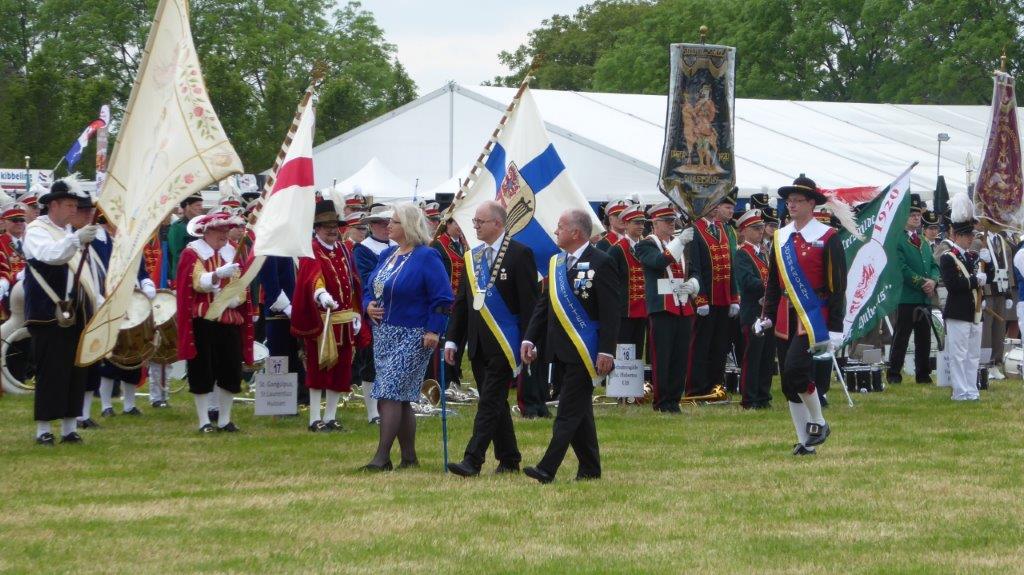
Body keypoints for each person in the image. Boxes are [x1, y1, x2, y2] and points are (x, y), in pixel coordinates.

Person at [521, 209, 621, 483]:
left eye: (560, 227)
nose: (556, 231)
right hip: (560, 348)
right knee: (580, 413)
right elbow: (545, 305)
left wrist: (606, 350)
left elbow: (611, 311)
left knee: (566, 412)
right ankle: (590, 468)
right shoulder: (556, 263)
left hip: (586, 350)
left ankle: (547, 468)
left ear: (576, 232)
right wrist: (530, 337)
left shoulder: (602, 261)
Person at [445, 201, 538, 477]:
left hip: (504, 343)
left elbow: (529, 303)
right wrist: (452, 340)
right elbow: (462, 304)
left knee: (488, 403)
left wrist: (529, 340)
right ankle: (509, 458)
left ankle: (473, 460)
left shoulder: (520, 254)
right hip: (477, 343)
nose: (474, 226)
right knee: (494, 401)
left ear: (498, 223)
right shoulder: (471, 258)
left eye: (479, 222)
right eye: (474, 222)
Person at [361, 202, 453, 471]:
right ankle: (409, 457)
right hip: (384, 334)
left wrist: (434, 329)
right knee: (399, 395)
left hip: (413, 334)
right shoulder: (387, 255)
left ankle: (382, 456)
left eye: (394, 222)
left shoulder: (426, 256)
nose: (388, 225)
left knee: (388, 391)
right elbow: (370, 287)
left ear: (409, 226)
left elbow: (442, 296)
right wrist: (368, 305)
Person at [761, 176, 846, 455]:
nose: (792, 205)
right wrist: (767, 315)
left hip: (814, 316)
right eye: (789, 201)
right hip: (785, 316)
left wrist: (835, 327)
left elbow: (837, 285)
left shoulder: (827, 237)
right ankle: (805, 441)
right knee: (787, 381)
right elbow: (773, 282)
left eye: (798, 201)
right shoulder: (781, 236)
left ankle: (819, 422)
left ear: (812, 203)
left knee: (798, 370)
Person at [23, 177, 99, 445]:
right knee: (51, 372)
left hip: (74, 313)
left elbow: (85, 279)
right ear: (53, 205)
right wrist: (77, 239)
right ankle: (44, 428)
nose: (73, 211)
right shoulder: (36, 230)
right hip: (47, 314)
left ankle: (69, 427)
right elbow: (51, 255)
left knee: (75, 372)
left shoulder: (67, 233)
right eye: (69, 205)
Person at [175, 211, 254, 433]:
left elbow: (241, 287)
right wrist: (218, 274)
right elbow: (197, 282)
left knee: (230, 369)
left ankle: (225, 419)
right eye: (220, 230)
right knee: (202, 369)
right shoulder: (193, 253)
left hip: (229, 320)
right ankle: (204, 421)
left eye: (226, 230)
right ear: (207, 231)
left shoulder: (232, 252)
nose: (225, 234)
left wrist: (233, 299)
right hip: (204, 320)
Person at [291, 198, 364, 432]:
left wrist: (355, 312)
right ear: (317, 229)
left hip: (343, 319)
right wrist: (321, 294)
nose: (332, 229)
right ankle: (314, 418)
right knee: (318, 368)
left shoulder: (343, 249)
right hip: (321, 320)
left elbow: (353, 281)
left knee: (341, 370)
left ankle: (331, 416)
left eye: (334, 225)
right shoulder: (312, 250)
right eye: (326, 226)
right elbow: (312, 278)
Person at [634, 202, 697, 412]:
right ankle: (662, 401)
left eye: (673, 221)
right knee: (663, 356)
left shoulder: (680, 242)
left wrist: (694, 284)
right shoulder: (645, 245)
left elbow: (695, 269)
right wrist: (679, 241)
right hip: (662, 307)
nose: (672, 224)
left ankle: (674, 399)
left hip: (683, 305)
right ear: (655, 223)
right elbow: (659, 262)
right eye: (667, 221)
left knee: (680, 356)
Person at [686, 188, 739, 398]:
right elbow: (694, 268)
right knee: (700, 346)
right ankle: (696, 389)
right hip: (705, 299)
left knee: (719, 346)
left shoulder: (724, 229)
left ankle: (715, 387)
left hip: (724, 298)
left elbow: (730, 265)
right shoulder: (695, 230)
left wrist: (734, 296)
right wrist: (700, 300)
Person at [887, 194, 940, 385]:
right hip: (906, 296)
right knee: (901, 336)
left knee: (924, 337)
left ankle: (923, 373)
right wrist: (922, 283)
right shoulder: (898, 239)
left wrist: (933, 281)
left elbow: (934, 265)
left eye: (918, 214)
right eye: (912, 214)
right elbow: (901, 268)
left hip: (924, 297)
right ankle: (894, 372)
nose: (916, 217)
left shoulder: (923, 240)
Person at [352, 203, 396, 425]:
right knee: (371, 361)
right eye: (380, 223)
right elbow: (366, 279)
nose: (385, 226)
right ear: (372, 225)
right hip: (375, 310)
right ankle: (372, 412)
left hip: (396, 310)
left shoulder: (397, 245)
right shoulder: (363, 249)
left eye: (388, 222)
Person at [942, 193, 985, 401]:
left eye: (972, 235)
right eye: (967, 235)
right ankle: (960, 391)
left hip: (975, 311)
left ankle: (972, 389)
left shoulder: (972, 256)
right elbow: (953, 285)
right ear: (957, 236)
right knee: (959, 355)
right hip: (958, 311)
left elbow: (986, 278)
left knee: (973, 354)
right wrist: (976, 281)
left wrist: (988, 268)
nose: (971, 238)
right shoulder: (948, 257)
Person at [733, 209, 774, 409]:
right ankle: (749, 398)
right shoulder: (742, 254)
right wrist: (770, 285)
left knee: (766, 356)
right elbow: (747, 281)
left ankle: (763, 395)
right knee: (752, 356)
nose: (760, 232)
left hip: (766, 312)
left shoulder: (764, 253)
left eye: (761, 228)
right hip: (752, 313)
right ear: (744, 231)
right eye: (755, 229)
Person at [607, 204, 650, 355]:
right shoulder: (616, 249)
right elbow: (610, 282)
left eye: (642, 223)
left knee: (638, 353)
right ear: (626, 224)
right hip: (624, 312)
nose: (641, 226)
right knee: (623, 352)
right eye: (636, 222)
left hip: (643, 309)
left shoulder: (646, 246)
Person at [430, 216, 466, 391]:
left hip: (463, 301)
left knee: (459, 339)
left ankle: (454, 377)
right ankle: (444, 380)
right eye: (457, 223)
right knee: (446, 341)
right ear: (448, 224)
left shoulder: (465, 243)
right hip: (447, 301)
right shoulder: (438, 244)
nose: (460, 227)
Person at [975, 229, 1014, 379]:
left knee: (999, 329)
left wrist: (1009, 293)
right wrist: (981, 294)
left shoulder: (1002, 242)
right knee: (986, 330)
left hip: (1001, 290)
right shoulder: (979, 240)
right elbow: (975, 267)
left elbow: (1007, 268)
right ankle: (985, 364)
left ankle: (996, 363)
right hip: (988, 291)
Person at [167, 193, 205, 281]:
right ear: (187, 206)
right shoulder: (177, 227)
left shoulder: (202, 225)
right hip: (184, 274)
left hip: (202, 273)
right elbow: (177, 254)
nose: (201, 208)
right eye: (198, 205)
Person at [0, 204, 27, 321]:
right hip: (9, 297)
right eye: (15, 220)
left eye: (22, 220)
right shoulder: (1, 243)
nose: (19, 223)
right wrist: (18, 276)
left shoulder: (30, 241)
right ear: (4, 222)